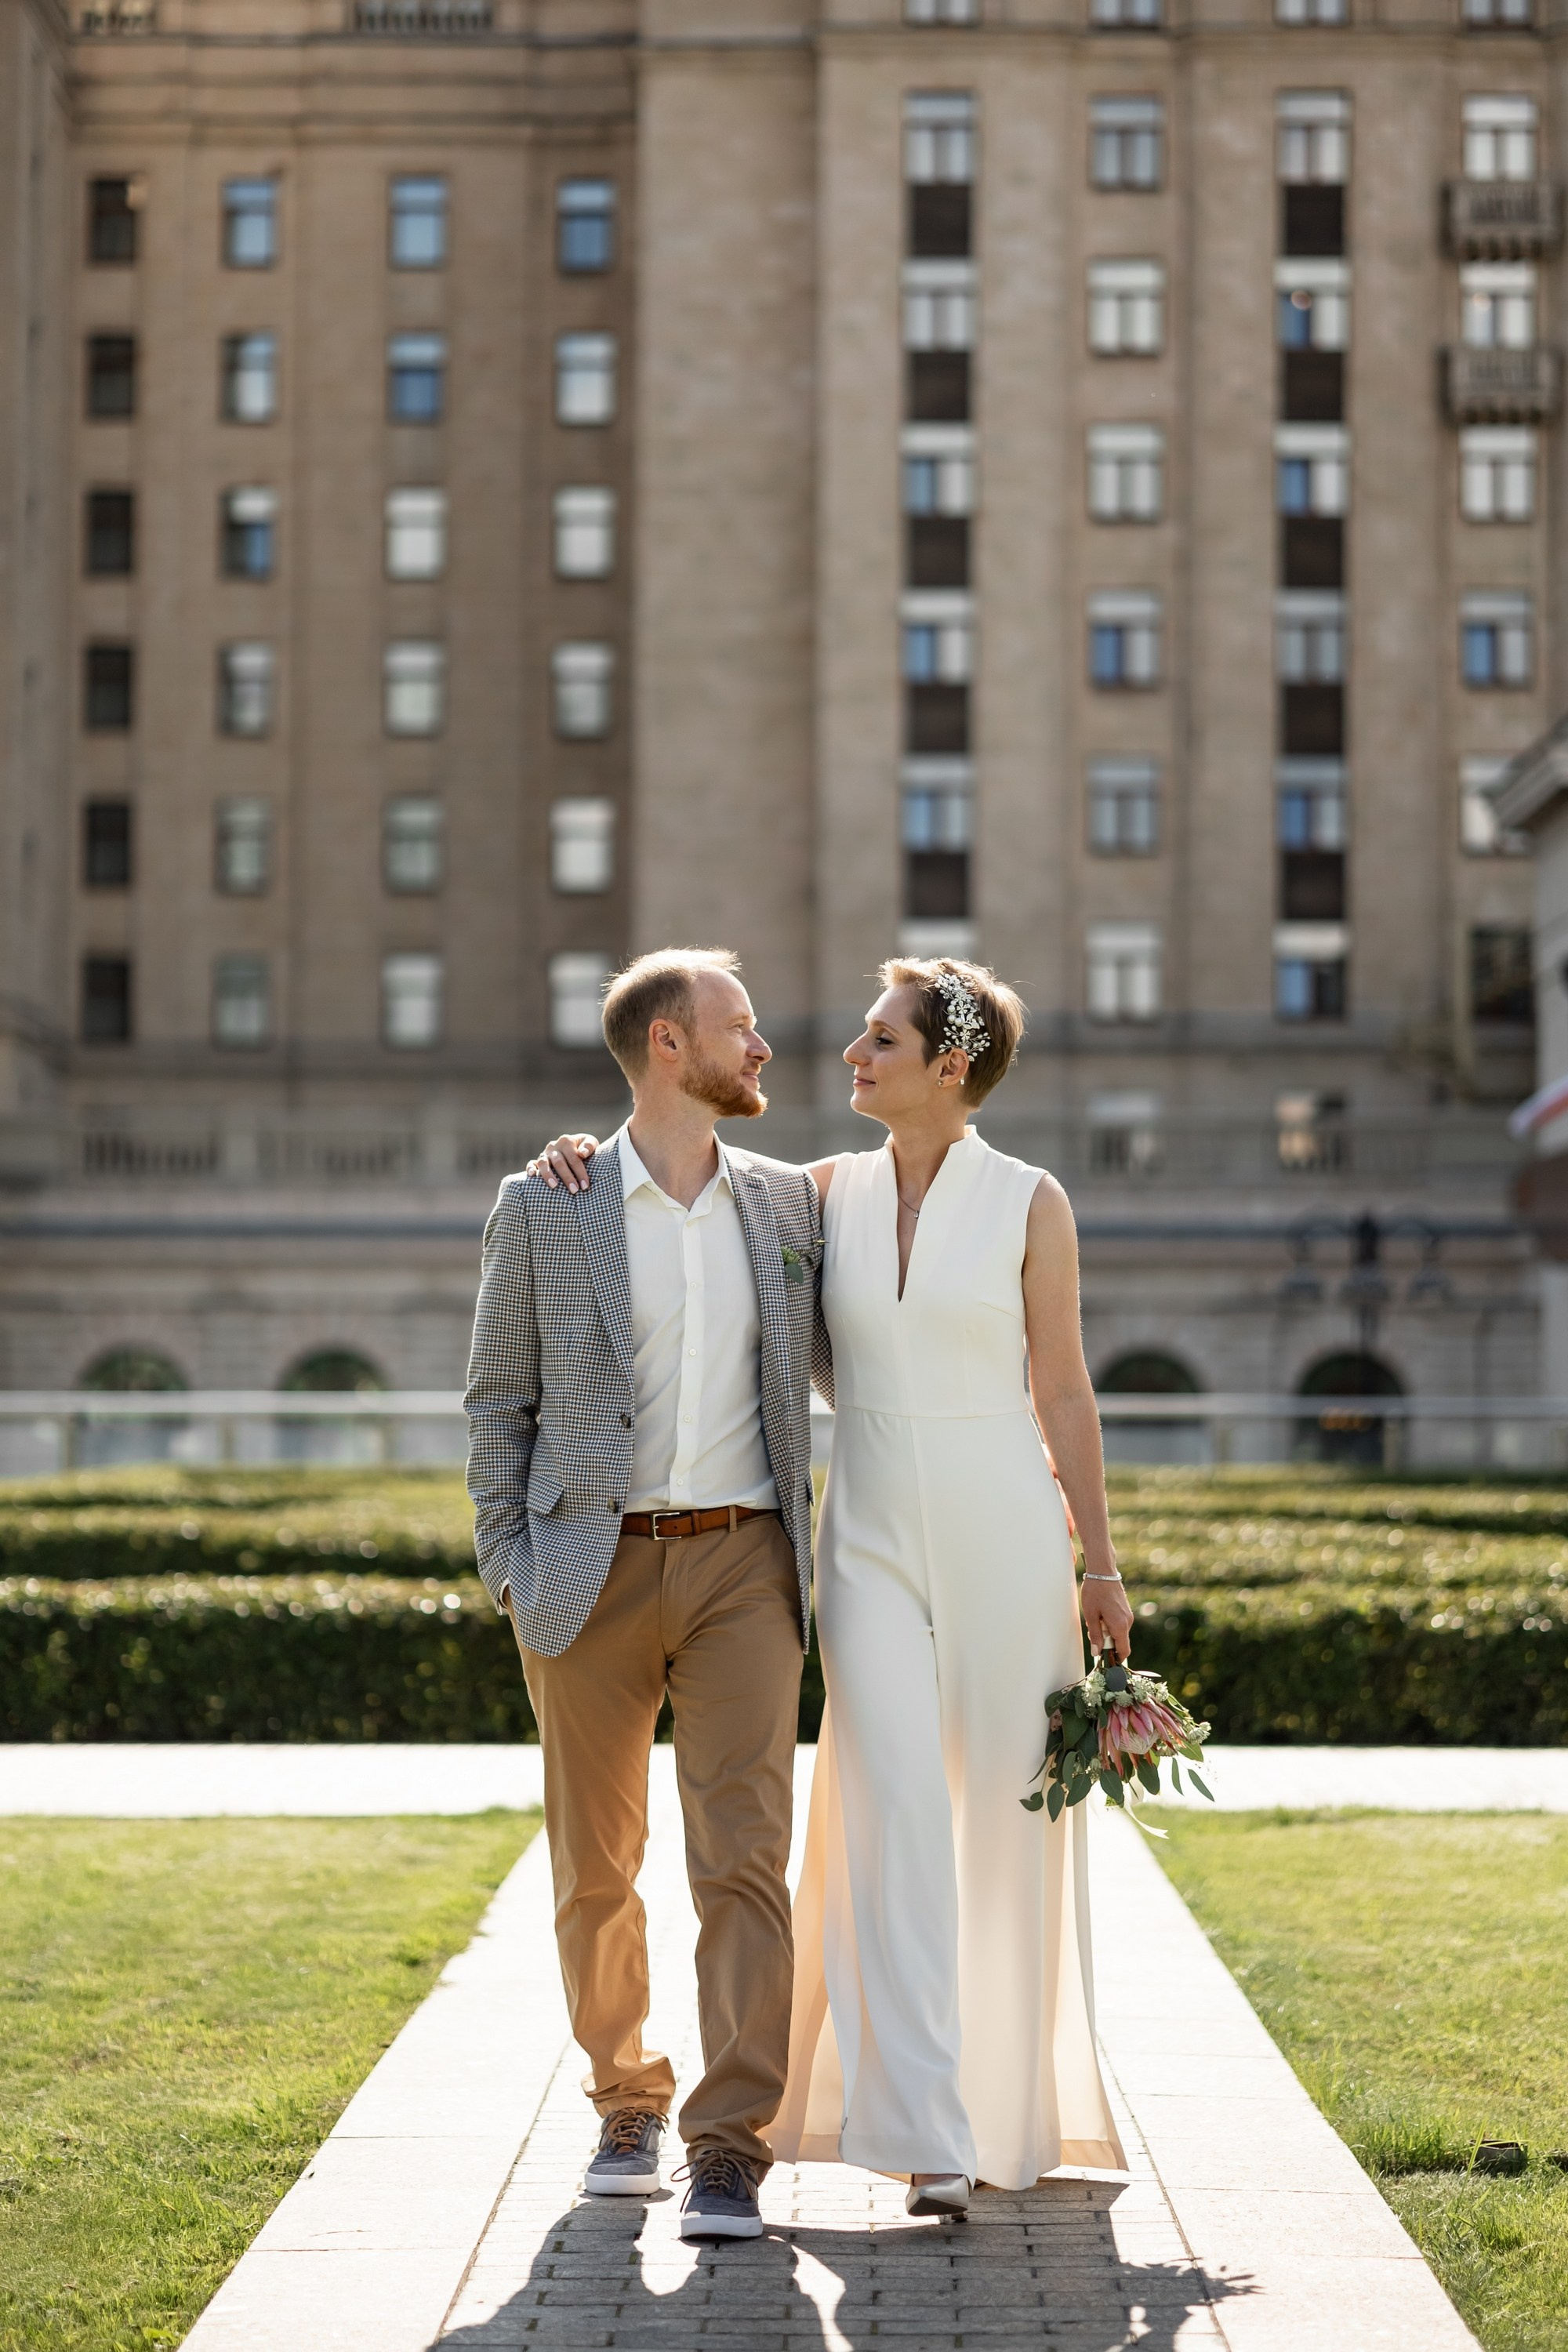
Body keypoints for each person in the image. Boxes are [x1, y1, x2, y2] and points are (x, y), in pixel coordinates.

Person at [533, 954, 1133, 2219]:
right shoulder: (812, 1197)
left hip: (1006, 1530)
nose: (850, 1057)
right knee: (894, 1811)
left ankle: (1010, 2110)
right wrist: (573, 1161)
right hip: (860, 1534)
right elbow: (688, 1211)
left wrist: (1099, 1560)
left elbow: (1064, 1390)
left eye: (881, 1041)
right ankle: (924, 2131)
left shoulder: (1033, 1202)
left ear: (950, 1062)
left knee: (1007, 1823)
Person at [463, 947, 825, 2243]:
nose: (764, 1046)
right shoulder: (545, 1203)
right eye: (742, 1025)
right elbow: (498, 1398)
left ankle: (729, 2143)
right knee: (595, 1864)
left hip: (746, 1565)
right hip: (585, 1566)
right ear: (670, 1045)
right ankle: (627, 2100)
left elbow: (880, 1347)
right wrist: (508, 1558)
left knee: (745, 1863)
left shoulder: (790, 1205)